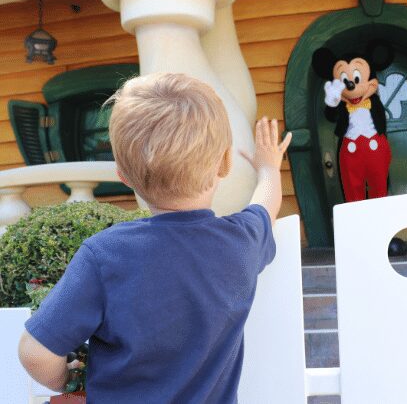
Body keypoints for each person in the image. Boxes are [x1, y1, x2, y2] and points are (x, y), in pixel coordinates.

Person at [17, 73, 292, 403]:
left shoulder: (105, 255)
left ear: (123, 174)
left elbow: (35, 353)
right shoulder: (241, 242)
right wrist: (268, 167)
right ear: (225, 163)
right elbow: (266, 203)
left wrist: (73, 380)